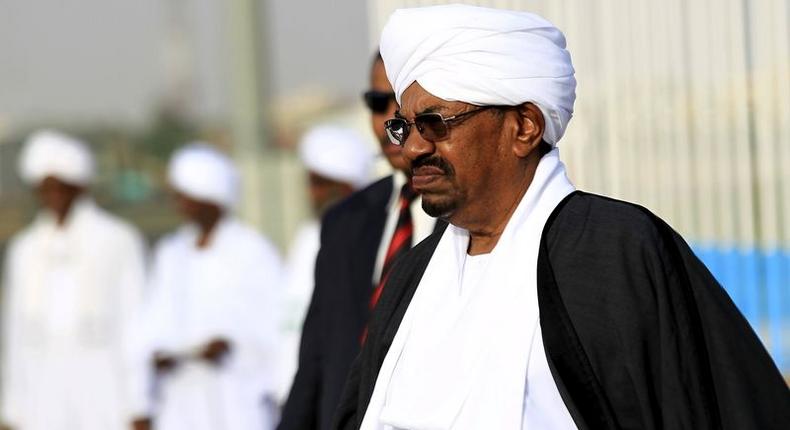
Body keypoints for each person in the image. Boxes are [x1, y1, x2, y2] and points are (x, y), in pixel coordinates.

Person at [333, 5, 790, 430]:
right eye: (404, 127)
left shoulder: (613, 253)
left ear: (525, 127)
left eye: (434, 124)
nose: (412, 148)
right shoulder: (414, 277)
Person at [277, 53, 440, 430]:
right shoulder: (344, 221)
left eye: (400, 103)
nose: (388, 121)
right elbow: (316, 358)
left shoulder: (468, 220)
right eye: (376, 103)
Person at [1, 130, 150, 430]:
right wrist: (11, 409)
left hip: (104, 387)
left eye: (62, 188)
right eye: (46, 188)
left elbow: (137, 322)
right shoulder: (25, 249)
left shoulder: (117, 240)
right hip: (42, 392)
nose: (54, 197)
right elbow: (14, 333)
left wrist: (139, 402)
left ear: (79, 188)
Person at [143, 143, 282, 430]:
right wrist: (159, 353)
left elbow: (276, 325)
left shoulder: (251, 250)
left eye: (186, 196)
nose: (179, 205)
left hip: (235, 397)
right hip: (180, 398)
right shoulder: (172, 252)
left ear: (209, 198)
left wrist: (233, 345)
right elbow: (152, 319)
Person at [275, 125, 374, 405]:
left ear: (345, 187)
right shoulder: (306, 237)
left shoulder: (365, 240)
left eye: (318, 183)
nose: (311, 194)